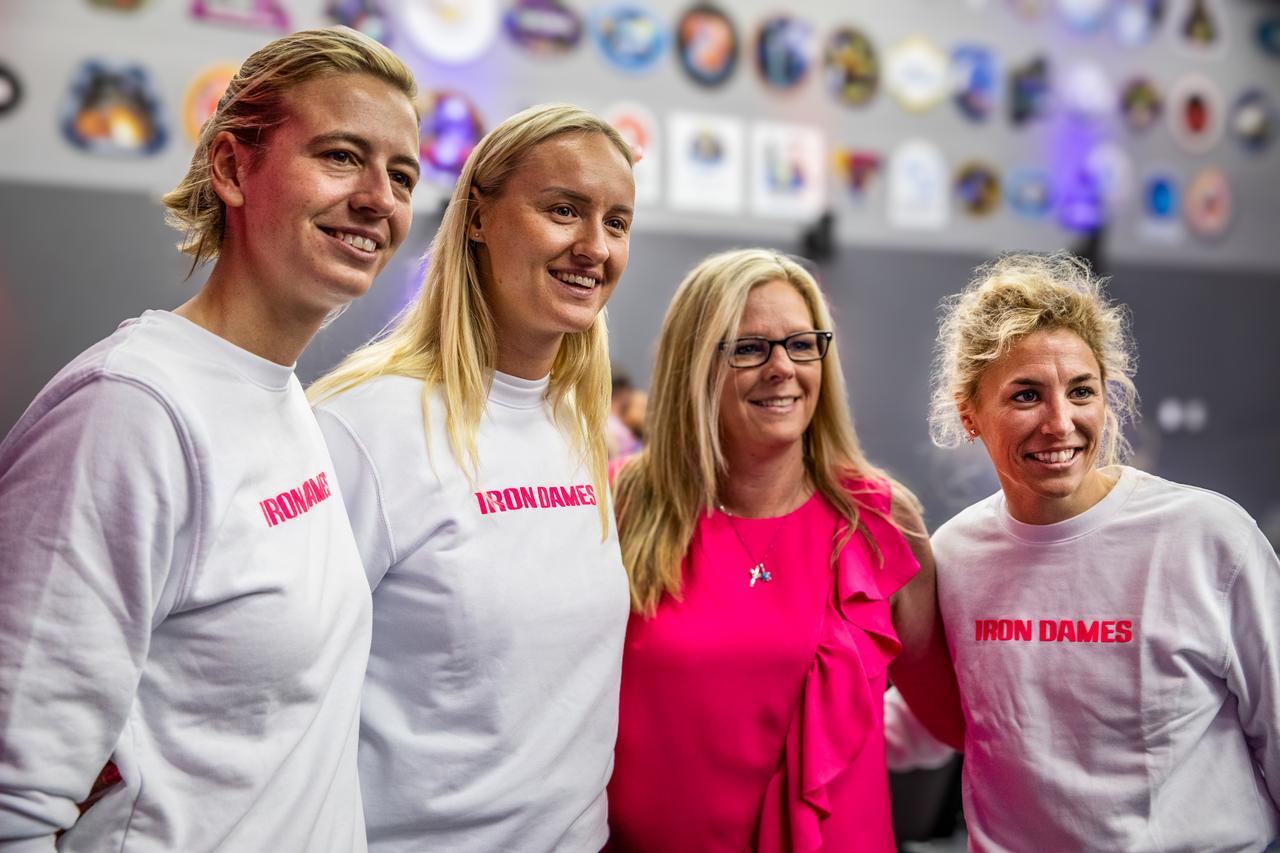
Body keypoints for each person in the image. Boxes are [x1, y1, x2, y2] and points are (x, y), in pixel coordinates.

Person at [0, 27, 420, 851]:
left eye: (401, 174)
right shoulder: (129, 410)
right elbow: (15, 796)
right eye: (341, 156)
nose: (380, 198)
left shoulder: (277, 393)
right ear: (232, 168)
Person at [307, 103, 636, 852]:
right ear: (479, 215)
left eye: (617, 223)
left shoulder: (579, 429)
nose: (594, 247)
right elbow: (272, 695)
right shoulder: (363, 426)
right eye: (563, 210)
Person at [606, 249, 963, 852]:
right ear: (693, 365)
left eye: (802, 344)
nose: (783, 369)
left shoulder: (876, 519)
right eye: (749, 348)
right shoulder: (621, 503)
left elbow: (955, 715)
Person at [928, 252, 1279, 850]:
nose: (1061, 422)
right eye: (1026, 395)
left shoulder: (1209, 536)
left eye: (1082, 391)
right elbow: (930, 716)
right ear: (970, 414)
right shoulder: (955, 555)